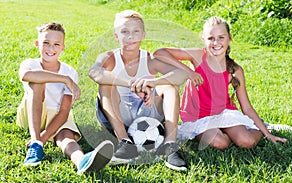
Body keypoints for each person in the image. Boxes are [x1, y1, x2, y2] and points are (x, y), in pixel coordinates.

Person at [153, 16, 287, 150]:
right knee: (220, 143)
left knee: (247, 142)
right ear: (203, 40)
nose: (216, 42)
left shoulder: (235, 70)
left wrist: (268, 134)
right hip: (199, 117)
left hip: (224, 114)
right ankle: (226, 132)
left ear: (229, 38)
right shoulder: (198, 56)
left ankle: (258, 126)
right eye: (211, 38)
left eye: (221, 37)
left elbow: (246, 107)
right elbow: (159, 53)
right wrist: (189, 72)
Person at [89, 10, 188, 171]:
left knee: (169, 85)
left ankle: (170, 145)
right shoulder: (109, 57)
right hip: (119, 113)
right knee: (105, 84)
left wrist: (152, 82)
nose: (131, 37)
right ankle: (125, 143)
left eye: (136, 32)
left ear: (143, 35)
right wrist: (131, 84)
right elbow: (94, 72)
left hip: (147, 110)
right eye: (124, 32)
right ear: (116, 36)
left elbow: (181, 74)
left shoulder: (149, 59)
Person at [16, 22, 114, 174]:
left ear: (63, 47)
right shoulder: (30, 63)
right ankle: (35, 144)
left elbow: (63, 111)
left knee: (67, 137)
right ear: (37, 44)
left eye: (56, 44)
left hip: (58, 116)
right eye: (46, 43)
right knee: (37, 82)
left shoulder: (70, 71)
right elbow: (26, 75)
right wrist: (64, 79)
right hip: (33, 113)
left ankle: (81, 161)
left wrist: (45, 137)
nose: (51, 48)